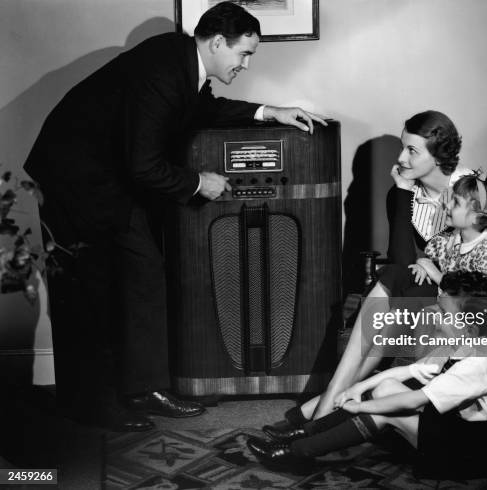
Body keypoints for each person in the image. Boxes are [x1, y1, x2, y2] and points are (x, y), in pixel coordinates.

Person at [23, 1, 326, 432]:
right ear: (218, 42)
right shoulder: (164, 71)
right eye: (244, 53)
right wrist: (198, 183)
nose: (246, 63)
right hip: (74, 179)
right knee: (90, 291)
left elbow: (203, 109)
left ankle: (144, 388)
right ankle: (89, 403)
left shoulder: (182, 63)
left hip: (108, 179)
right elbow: (142, 165)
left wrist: (268, 111)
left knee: (144, 275)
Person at [272, 110, 487, 424]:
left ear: (437, 157)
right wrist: (404, 193)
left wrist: (484, 285)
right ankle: (324, 411)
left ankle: (316, 411)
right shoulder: (402, 192)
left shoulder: (472, 188)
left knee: (391, 292)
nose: (401, 158)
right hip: (425, 285)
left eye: (411, 150)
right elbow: (402, 259)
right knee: (392, 292)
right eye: (402, 147)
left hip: (460, 292)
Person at [248, 271, 487, 480]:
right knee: (387, 385)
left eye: (442, 312)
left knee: (382, 409)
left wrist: (360, 405)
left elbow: (413, 401)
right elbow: (406, 372)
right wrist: (358, 388)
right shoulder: (457, 345)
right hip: (458, 430)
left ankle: (300, 453)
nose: (433, 315)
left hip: (477, 450)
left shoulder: (480, 361)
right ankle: (304, 434)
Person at [412, 172, 487, 313]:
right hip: (457, 302)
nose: (447, 203)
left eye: (456, 202)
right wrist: (423, 267)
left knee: (428, 314)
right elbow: (433, 261)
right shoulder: (446, 240)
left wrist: (435, 274)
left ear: (477, 217)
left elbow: (476, 298)